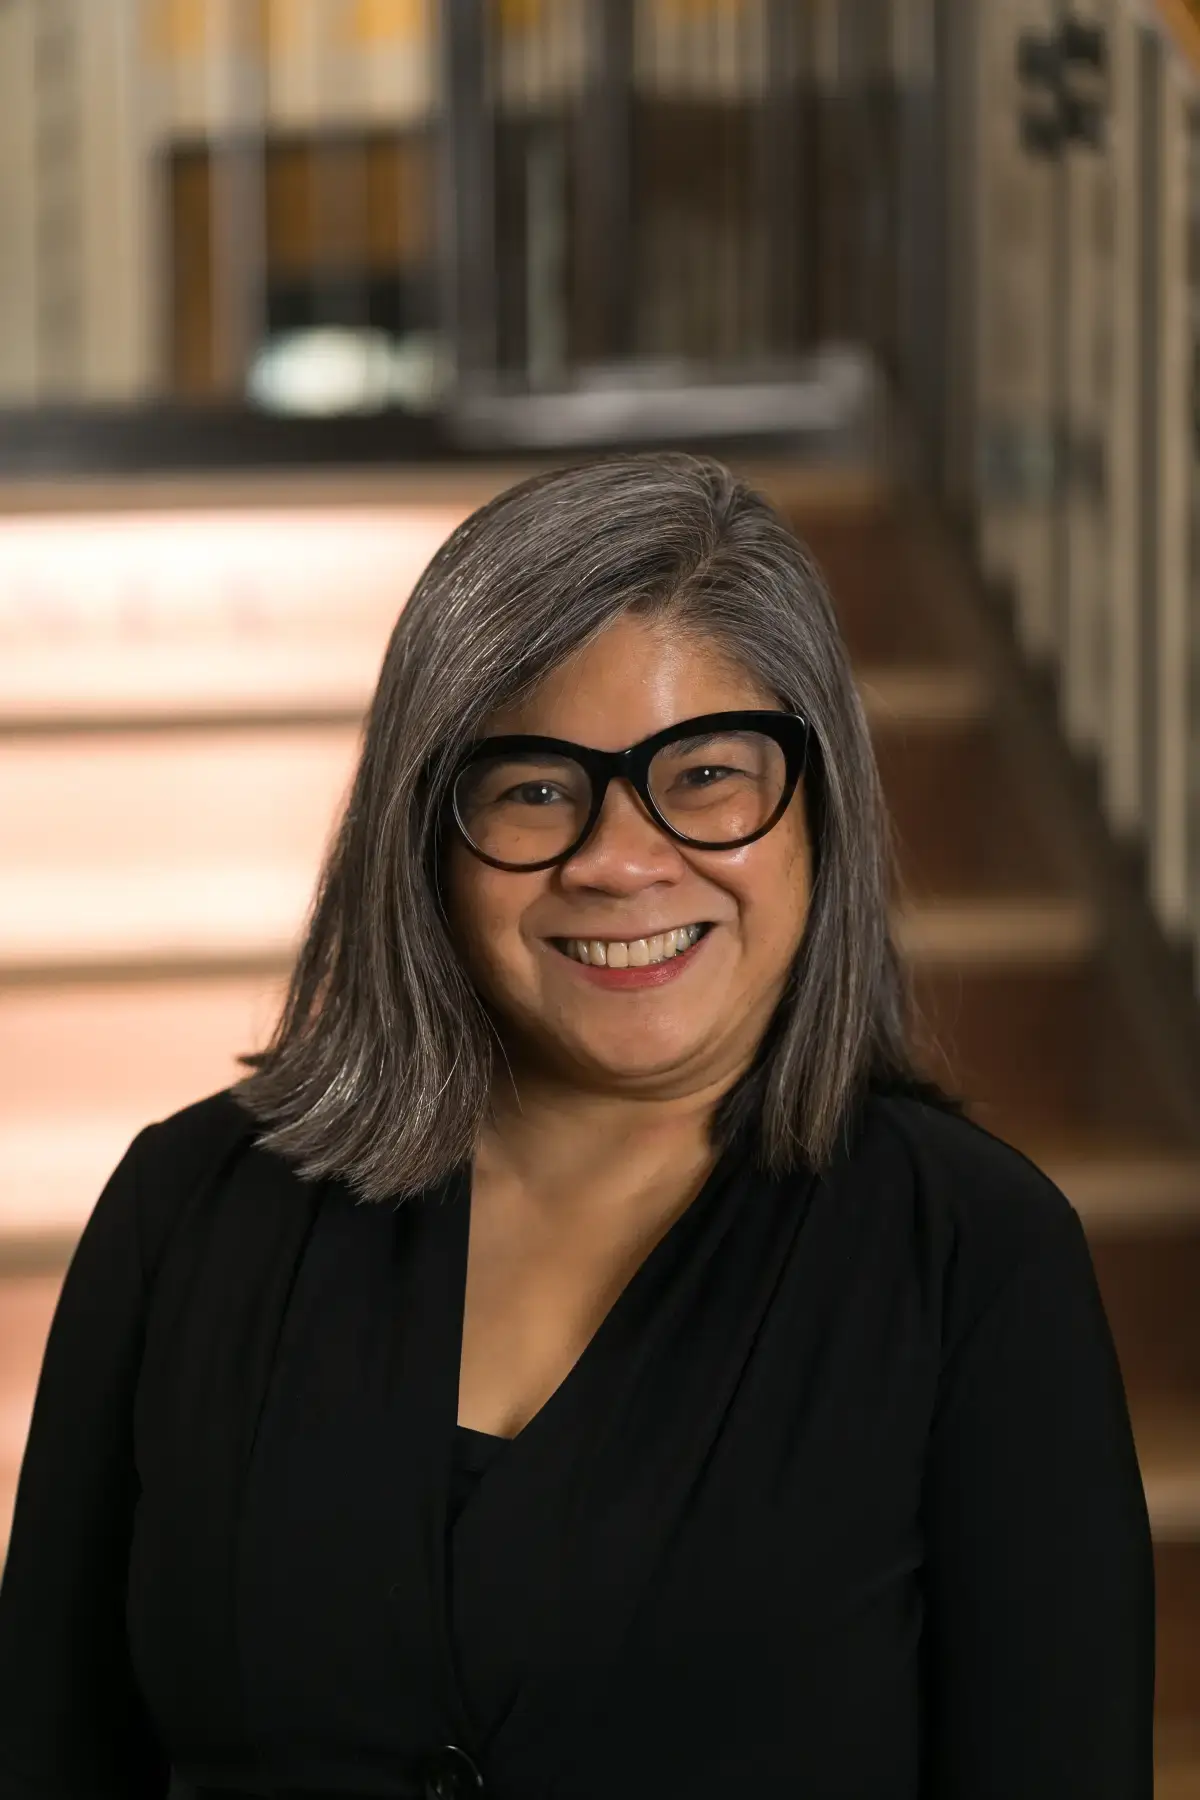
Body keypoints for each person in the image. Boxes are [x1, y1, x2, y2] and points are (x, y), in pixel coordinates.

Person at [0, 454, 1153, 1800]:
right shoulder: (188, 1207)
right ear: (425, 838)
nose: (619, 856)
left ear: (820, 812)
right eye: (536, 788)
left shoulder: (974, 1259)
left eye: (709, 773)